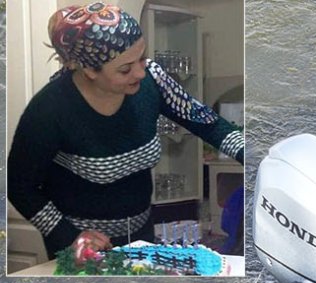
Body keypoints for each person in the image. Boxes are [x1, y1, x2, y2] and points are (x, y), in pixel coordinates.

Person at [7, 3, 246, 259]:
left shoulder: (152, 79)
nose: (141, 72)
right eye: (125, 69)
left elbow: (207, 123)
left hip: (140, 233)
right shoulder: (51, 109)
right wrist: (68, 235)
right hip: (80, 243)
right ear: (89, 70)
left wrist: (254, 157)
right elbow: (19, 186)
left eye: (142, 57)